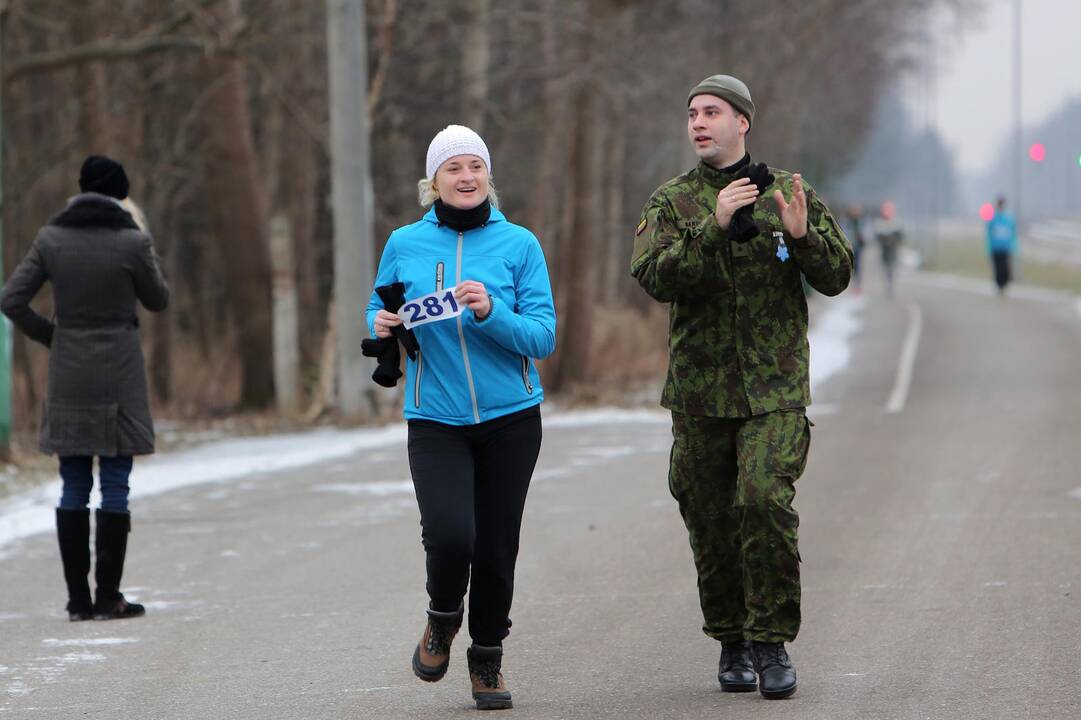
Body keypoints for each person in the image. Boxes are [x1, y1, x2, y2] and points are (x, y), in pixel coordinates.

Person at [630, 75, 852, 700]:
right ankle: (731, 638)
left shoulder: (788, 191)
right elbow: (653, 277)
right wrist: (715, 227)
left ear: (742, 122)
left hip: (774, 390)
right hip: (701, 396)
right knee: (711, 518)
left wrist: (804, 237)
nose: (699, 123)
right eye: (693, 114)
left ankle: (772, 641)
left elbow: (837, 276)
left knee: (762, 500)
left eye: (713, 112)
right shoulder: (673, 202)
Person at [365, 125, 556, 711]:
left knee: (497, 547)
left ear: (489, 177)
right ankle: (442, 616)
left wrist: (491, 312)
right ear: (434, 182)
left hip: (511, 419)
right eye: (454, 168)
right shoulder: (404, 242)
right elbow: (382, 302)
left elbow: (542, 337)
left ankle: (487, 661)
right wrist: (379, 323)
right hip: (436, 417)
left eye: (476, 166)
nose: (466, 177)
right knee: (451, 533)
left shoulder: (519, 244)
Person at [1, 155, 169, 621]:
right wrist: (143, 249)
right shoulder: (132, 241)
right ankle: (107, 596)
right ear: (119, 194)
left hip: (69, 370)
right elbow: (159, 299)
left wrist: (53, 335)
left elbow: (11, 299)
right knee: (115, 482)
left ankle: (77, 602)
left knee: (73, 483)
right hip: (120, 369)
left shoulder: (50, 239)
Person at [986, 195, 1018, 295]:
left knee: (1005, 268)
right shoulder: (992, 219)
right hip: (995, 248)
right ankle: (999, 286)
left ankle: (1004, 284)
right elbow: (989, 234)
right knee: (997, 268)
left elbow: (1013, 234)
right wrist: (989, 247)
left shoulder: (1009, 219)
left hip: (1005, 248)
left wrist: (1014, 246)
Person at [873, 201, 903, 297]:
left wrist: (892, 241)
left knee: (891, 266)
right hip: (885, 250)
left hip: (893, 249)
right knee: (886, 267)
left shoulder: (896, 222)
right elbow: (878, 237)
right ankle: (889, 283)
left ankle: (891, 282)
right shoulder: (879, 223)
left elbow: (900, 236)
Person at [842, 204, 867, 293]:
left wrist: (863, 238)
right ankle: (851, 284)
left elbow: (866, 233)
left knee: (858, 266)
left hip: (858, 247)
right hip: (849, 247)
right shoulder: (847, 221)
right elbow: (844, 232)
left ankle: (857, 285)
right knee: (850, 265)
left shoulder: (861, 221)